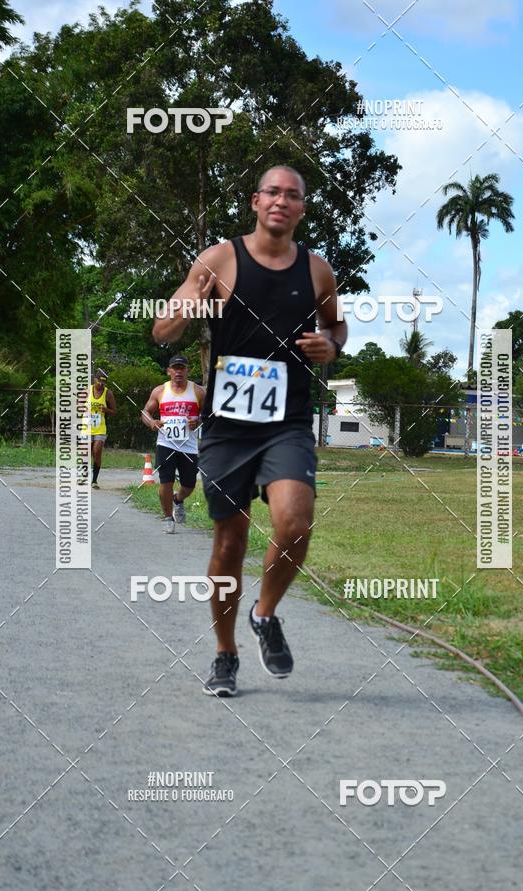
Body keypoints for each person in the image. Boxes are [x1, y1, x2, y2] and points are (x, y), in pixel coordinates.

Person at [153, 165, 347, 696]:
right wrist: (185, 311)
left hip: (286, 422)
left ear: (302, 209)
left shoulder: (317, 271)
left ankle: (264, 613)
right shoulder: (219, 260)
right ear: (256, 202)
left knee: (295, 522)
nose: (281, 201)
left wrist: (330, 346)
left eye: (293, 195)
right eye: (272, 192)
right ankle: (224, 652)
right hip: (228, 429)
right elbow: (162, 326)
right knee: (229, 542)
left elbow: (337, 324)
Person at [141, 355, 205, 534]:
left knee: (189, 484)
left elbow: (210, 414)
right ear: (169, 371)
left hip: (189, 445)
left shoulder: (198, 391)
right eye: (175, 368)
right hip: (166, 443)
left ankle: (178, 500)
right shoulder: (160, 391)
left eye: (182, 368)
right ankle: (168, 517)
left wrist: (199, 420)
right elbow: (145, 412)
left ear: (187, 370)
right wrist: (152, 422)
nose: (178, 371)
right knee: (166, 481)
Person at [89, 369, 116, 489]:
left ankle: (94, 480)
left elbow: (114, 411)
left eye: (103, 383)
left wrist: (106, 410)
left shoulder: (108, 393)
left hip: (100, 427)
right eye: (99, 382)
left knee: (96, 451)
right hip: (87, 426)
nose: (101, 385)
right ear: (95, 379)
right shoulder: (87, 390)